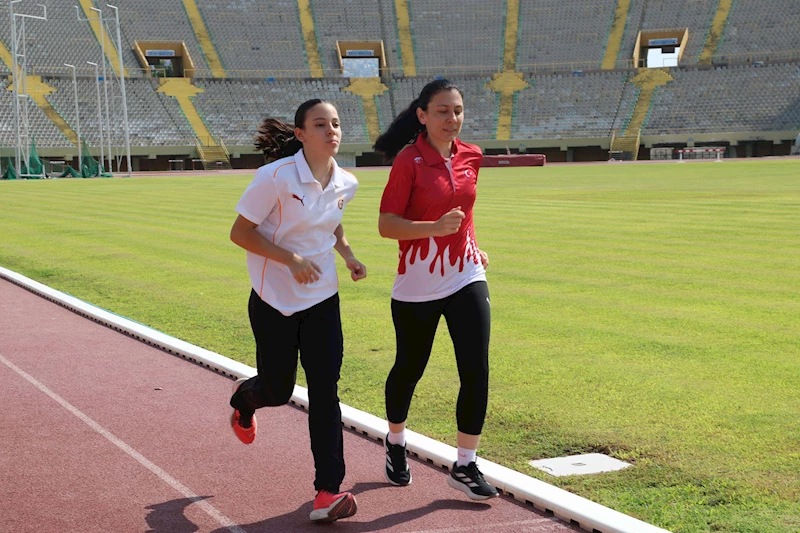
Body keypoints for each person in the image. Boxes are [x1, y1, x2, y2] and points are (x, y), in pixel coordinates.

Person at [228, 99, 366, 523]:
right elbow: (240, 233)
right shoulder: (275, 176)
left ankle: (328, 491)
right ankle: (244, 399)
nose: (331, 131)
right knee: (279, 390)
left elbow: (330, 219)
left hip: (323, 298)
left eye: (336, 124)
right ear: (301, 134)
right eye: (320, 124)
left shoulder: (347, 182)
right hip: (274, 301)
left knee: (326, 390)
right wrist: (290, 259)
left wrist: (347, 254)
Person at [373, 79, 498, 501]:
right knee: (410, 368)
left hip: (465, 275)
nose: (452, 119)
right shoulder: (408, 161)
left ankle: (465, 465)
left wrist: (473, 244)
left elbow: (466, 212)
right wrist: (432, 228)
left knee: (476, 368)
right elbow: (386, 224)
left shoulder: (472, 155)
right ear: (422, 115)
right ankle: (395, 440)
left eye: (458, 110)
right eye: (443, 111)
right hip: (417, 283)